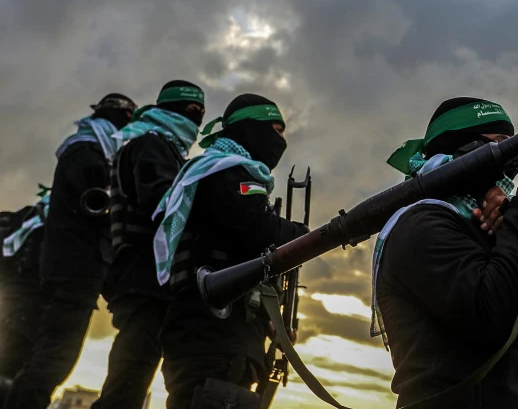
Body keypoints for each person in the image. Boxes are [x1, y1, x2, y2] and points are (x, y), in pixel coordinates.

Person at [373, 97, 518, 408]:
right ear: (462, 151)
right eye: (499, 144)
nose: (511, 160)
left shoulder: (504, 232)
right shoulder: (420, 225)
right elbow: (490, 321)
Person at [155, 94, 308, 409]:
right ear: (251, 129)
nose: (281, 141)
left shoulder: (214, 172)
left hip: (216, 336)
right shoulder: (224, 172)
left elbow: (242, 253)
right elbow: (258, 230)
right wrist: (305, 237)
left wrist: (270, 322)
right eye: (276, 130)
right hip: (213, 338)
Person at [5, 93, 137, 409]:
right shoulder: (86, 151)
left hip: (69, 272)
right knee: (55, 357)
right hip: (73, 273)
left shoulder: (87, 147)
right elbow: (98, 201)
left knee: (37, 356)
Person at [92, 81, 207, 409]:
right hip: (141, 278)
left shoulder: (165, 146)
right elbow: (160, 203)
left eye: (200, 112)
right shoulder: (150, 145)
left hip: (151, 280)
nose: (197, 118)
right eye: (191, 109)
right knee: (128, 379)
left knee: (135, 377)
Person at [0, 188, 50, 395]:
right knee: (13, 362)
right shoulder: (46, 225)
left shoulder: (20, 222)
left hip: (12, 297)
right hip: (26, 302)